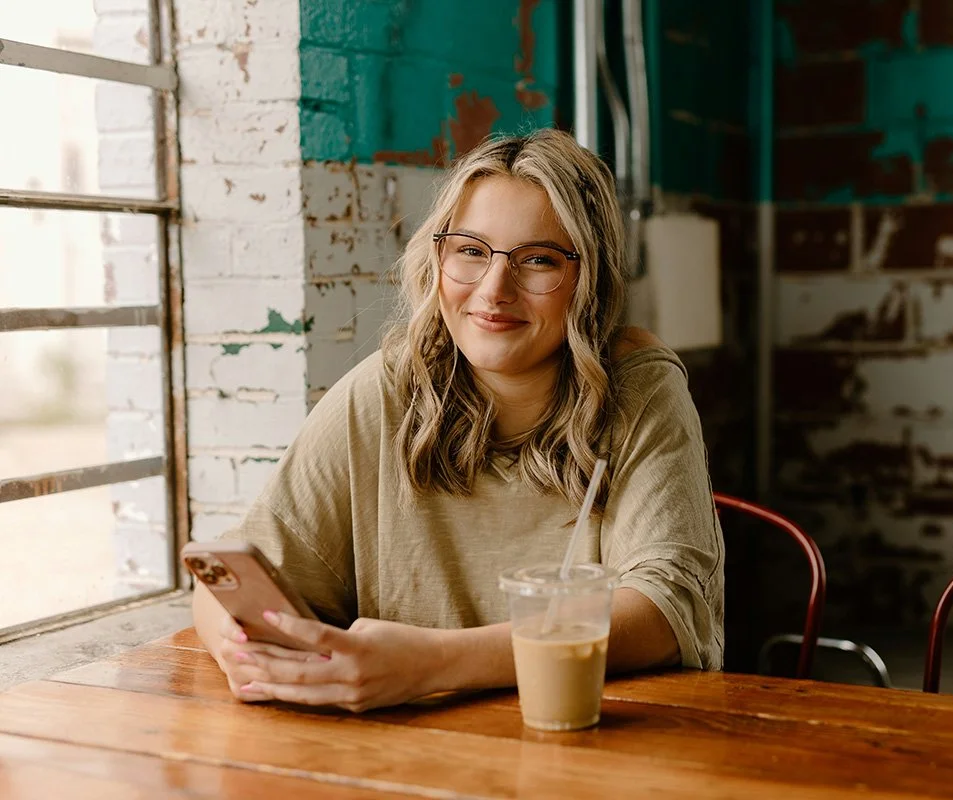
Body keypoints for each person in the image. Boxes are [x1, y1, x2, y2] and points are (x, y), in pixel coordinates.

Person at [192, 128, 725, 712]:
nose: (494, 290)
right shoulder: (384, 390)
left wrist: (430, 664)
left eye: (538, 260)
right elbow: (230, 578)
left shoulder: (639, 390)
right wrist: (244, 653)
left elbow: (665, 611)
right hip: (409, 748)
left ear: (588, 281)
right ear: (438, 257)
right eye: (471, 251)